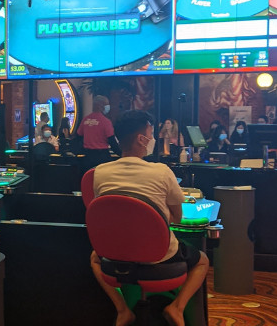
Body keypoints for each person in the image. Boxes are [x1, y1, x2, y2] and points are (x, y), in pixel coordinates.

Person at [90, 111, 210, 326]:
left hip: (116, 255)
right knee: (202, 260)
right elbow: (177, 218)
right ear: (141, 139)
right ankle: (177, 308)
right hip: (159, 256)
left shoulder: (100, 172)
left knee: (93, 257)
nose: (153, 138)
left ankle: (122, 310)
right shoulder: (162, 172)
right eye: (150, 133)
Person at [81, 95, 116, 165]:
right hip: (102, 156)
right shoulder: (105, 121)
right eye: (106, 104)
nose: (108, 107)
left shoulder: (85, 120)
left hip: (87, 156)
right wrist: (122, 154)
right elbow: (112, 141)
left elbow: (79, 137)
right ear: (100, 105)